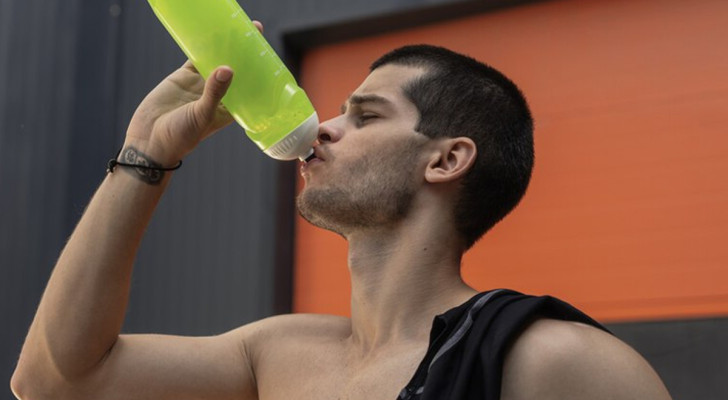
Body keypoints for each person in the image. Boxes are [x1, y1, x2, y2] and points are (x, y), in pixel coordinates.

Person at [11, 22, 672, 400]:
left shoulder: (551, 361)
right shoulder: (276, 355)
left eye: (365, 115)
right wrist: (145, 152)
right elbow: (53, 380)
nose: (324, 128)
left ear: (446, 160)